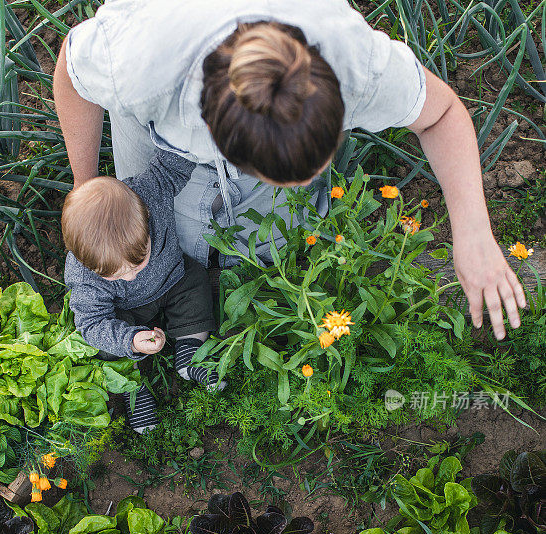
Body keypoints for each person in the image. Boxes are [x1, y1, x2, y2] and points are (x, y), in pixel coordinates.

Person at [53, 0, 526, 341]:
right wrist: (87, 191)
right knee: (162, 237)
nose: (300, 182)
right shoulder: (136, 62)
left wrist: (474, 232)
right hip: (160, 107)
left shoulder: (352, 56)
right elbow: (70, 71)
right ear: (217, 138)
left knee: (267, 240)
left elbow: (441, 114)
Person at [62, 149, 225, 434]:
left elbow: (173, 159)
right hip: (126, 310)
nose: (132, 274)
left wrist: (194, 128)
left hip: (173, 278)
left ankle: (190, 351)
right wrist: (131, 340)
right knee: (102, 342)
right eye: (116, 274)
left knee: (196, 279)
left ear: (146, 216)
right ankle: (133, 387)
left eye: (139, 260)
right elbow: (91, 323)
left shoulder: (152, 192)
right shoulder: (83, 273)